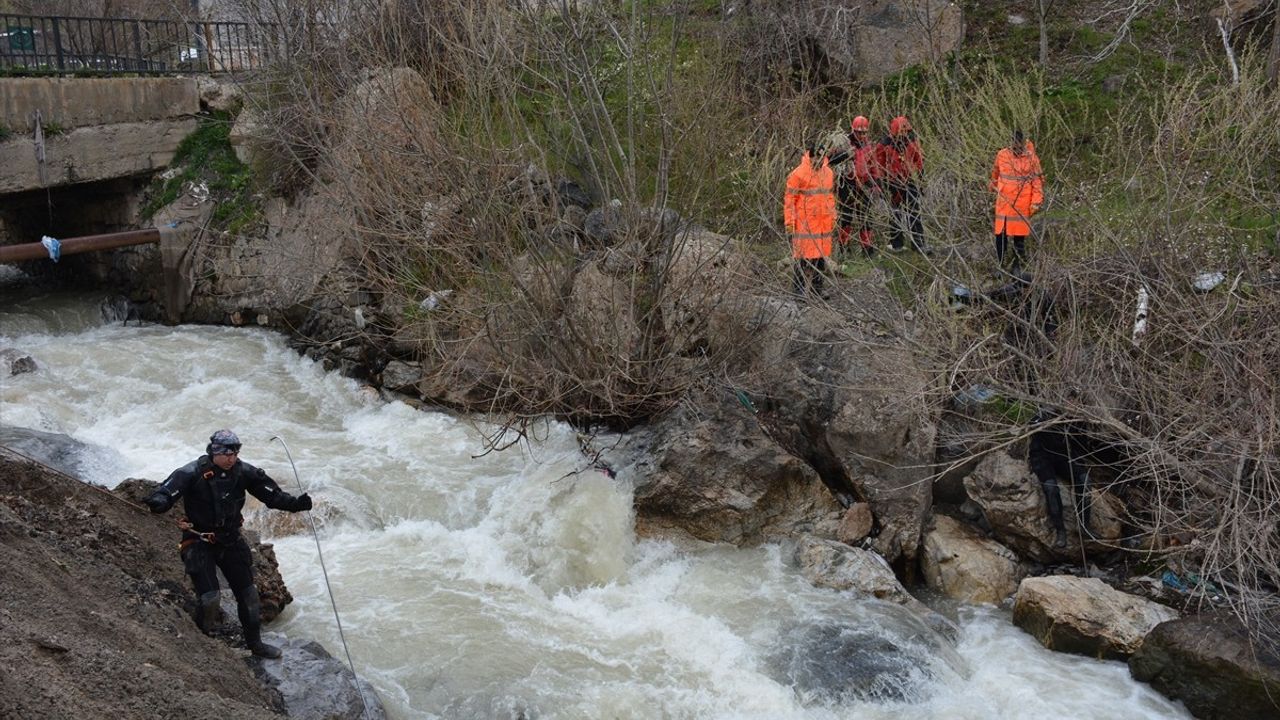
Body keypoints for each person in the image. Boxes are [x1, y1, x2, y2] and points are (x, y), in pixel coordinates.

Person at [145, 429, 313, 659]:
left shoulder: (244, 472)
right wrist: (159, 501)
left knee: (249, 595)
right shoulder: (191, 472)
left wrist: (296, 504)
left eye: (235, 453)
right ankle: (203, 638)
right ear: (214, 452)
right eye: (227, 454)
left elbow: (272, 496)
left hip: (231, 539)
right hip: (198, 540)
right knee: (210, 598)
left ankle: (255, 644)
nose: (231, 458)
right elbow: (167, 492)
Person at [1027, 411, 1092, 548]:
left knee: (1084, 481)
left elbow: (1081, 445)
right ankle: (1060, 531)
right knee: (1051, 488)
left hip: (1062, 456)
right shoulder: (1044, 412)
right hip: (1041, 457)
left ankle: (1084, 526)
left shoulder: (1077, 418)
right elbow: (1031, 425)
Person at [784, 135, 836, 297]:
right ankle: (798, 291)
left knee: (820, 258)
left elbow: (829, 197)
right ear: (810, 156)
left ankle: (817, 290)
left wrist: (833, 216)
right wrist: (789, 222)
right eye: (816, 159)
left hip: (822, 222)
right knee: (802, 258)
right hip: (804, 223)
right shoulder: (798, 174)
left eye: (821, 158)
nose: (818, 162)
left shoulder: (828, 173)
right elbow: (789, 199)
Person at [989, 129, 1044, 270]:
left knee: (1019, 238)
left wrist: (1036, 202)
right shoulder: (1002, 155)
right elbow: (996, 172)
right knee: (1000, 236)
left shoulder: (1031, 158)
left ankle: (1017, 266)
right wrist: (992, 186)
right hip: (1004, 203)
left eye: (1018, 144)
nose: (1016, 147)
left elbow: (1037, 182)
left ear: (1023, 143)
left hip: (1022, 204)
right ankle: (1001, 266)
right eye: (1013, 144)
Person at [830, 115, 881, 257]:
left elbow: (873, 167)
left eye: (864, 132)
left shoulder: (868, 146)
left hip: (863, 185)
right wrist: (845, 155)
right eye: (859, 132)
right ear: (853, 130)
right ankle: (843, 247)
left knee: (866, 218)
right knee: (847, 218)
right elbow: (830, 160)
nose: (861, 135)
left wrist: (876, 184)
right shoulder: (843, 144)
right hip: (846, 184)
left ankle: (867, 248)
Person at [878, 115, 928, 254]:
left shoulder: (912, 143)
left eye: (906, 132)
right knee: (896, 214)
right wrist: (881, 184)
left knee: (914, 212)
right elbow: (878, 164)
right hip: (892, 183)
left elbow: (920, 161)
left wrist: (921, 180)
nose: (905, 134)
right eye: (902, 132)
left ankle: (919, 245)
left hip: (909, 181)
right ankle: (897, 244)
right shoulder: (884, 144)